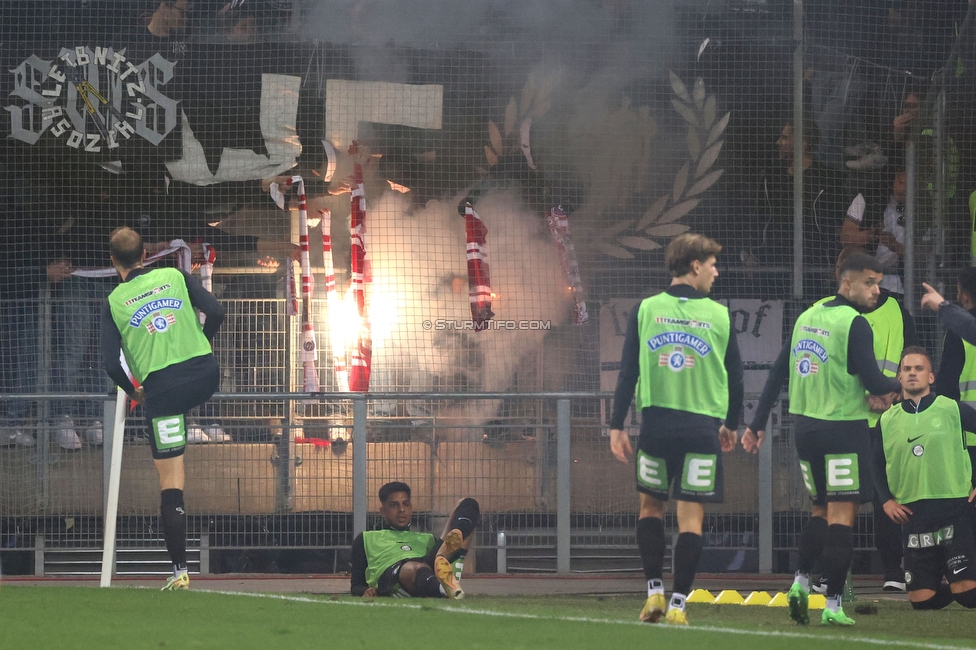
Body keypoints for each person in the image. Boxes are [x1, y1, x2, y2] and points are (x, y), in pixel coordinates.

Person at [742, 252, 901, 626]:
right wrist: (901, 386)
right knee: (842, 517)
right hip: (844, 430)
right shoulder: (855, 324)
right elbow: (875, 382)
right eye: (869, 283)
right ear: (846, 283)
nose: (876, 291)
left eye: (878, 282)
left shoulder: (808, 316)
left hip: (806, 432)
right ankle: (831, 606)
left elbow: (778, 371)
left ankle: (799, 581)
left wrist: (757, 423)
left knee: (818, 509)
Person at [608, 233, 743, 626]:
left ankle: (653, 593)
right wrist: (731, 424)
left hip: (656, 428)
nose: (716, 272)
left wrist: (617, 425)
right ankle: (679, 605)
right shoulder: (719, 315)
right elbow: (735, 377)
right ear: (695, 265)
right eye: (713, 264)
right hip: (701, 429)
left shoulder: (646, 309)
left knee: (650, 508)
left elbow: (628, 369)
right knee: (691, 518)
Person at [100, 227, 225, 590]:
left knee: (171, 483)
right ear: (145, 254)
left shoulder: (114, 301)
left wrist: (134, 393)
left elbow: (111, 365)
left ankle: (180, 571)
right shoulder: (174, 275)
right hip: (206, 375)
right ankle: (204, 423)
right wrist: (203, 347)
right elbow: (216, 311)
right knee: (186, 404)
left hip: (162, 393)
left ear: (113, 262)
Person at [811, 246, 918, 593]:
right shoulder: (826, 314)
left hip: (885, 421)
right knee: (838, 502)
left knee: (886, 496)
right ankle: (830, 574)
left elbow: (910, 354)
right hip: (845, 421)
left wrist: (890, 393)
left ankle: (892, 569)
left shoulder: (896, 308)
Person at [873, 347, 976, 610]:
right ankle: (948, 582)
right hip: (913, 514)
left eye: (919, 369)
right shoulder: (886, 420)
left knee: (967, 595)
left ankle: (961, 583)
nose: (912, 374)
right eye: (907, 369)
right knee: (922, 601)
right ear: (899, 377)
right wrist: (886, 500)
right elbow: (874, 463)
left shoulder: (951, 408)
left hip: (954, 508)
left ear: (931, 377)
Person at [350, 481, 480, 599]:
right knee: (414, 567)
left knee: (467, 504)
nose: (401, 510)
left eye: (405, 504)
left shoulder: (426, 538)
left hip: (429, 564)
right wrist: (366, 590)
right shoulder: (366, 538)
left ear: (411, 507)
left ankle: (445, 583)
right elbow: (356, 585)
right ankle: (444, 588)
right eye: (394, 505)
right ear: (382, 510)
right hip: (394, 577)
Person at [840, 171, 907, 297]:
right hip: (864, 280)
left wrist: (897, 247)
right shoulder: (868, 197)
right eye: (900, 181)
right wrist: (871, 234)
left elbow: (928, 251)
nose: (902, 189)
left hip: (902, 283)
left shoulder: (926, 207)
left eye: (909, 185)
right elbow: (846, 237)